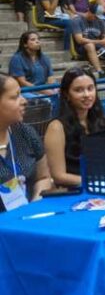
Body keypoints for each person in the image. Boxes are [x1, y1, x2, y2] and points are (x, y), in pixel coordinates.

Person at [43, 68, 105, 189]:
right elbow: (58, 175)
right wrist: (94, 181)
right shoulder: (56, 127)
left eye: (90, 88)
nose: (87, 95)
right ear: (66, 94)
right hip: (74, 190)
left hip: (102, 186)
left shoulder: (103, 121)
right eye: (79, 90)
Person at [0, 73, 52, 211]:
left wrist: (35, 204)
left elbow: (43, 178)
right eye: (15, 96)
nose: (24, 101)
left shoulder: (25, 132)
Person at [70, 4, 105, 75]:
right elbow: (79, 40)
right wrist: (100, 41)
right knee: (90, 45)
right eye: (95, 16)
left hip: (98, 46)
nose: (97, 18)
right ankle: (99, 71)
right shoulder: (77, 20)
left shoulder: (100, 21)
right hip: (82, 47)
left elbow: (104, 36)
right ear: (89, 12)